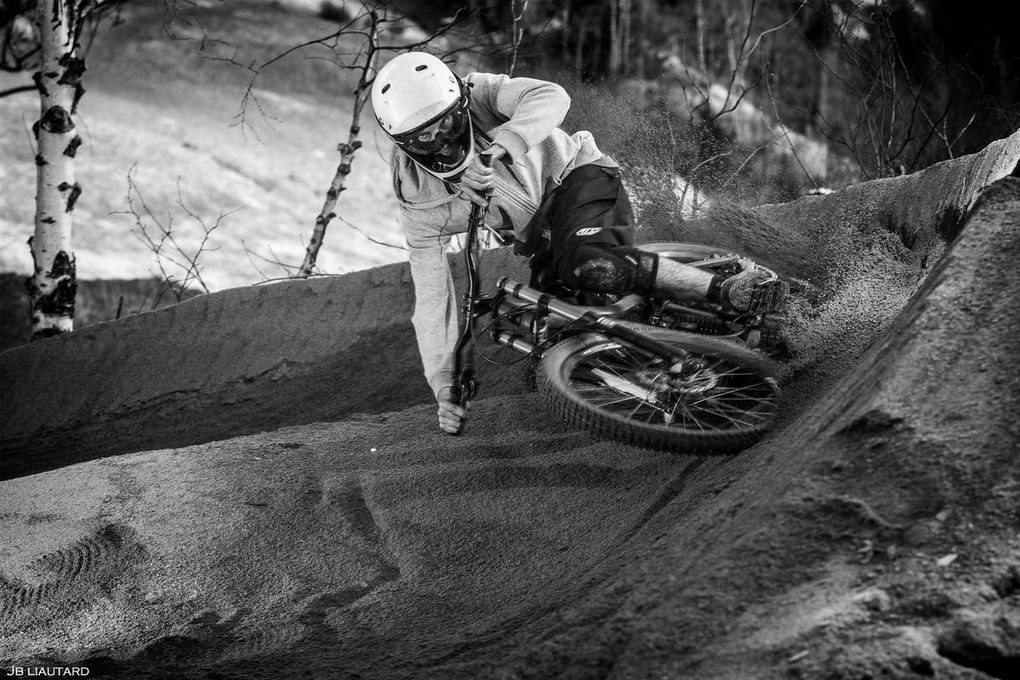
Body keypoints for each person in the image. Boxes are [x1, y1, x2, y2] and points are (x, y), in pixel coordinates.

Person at [371, 52, 771, 434]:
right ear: (402, 143)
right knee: (554, 341)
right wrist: (444, 381)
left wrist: (500, 148)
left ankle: (729, 291)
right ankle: (705, 381)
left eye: (445, 124)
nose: (439, 140)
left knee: (589, 266)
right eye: (422, 138)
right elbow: (431, 300)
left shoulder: (480, 92)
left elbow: (551, 97)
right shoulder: (418, 202)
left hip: (580, 176)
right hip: (545, 240)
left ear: (460, 104)